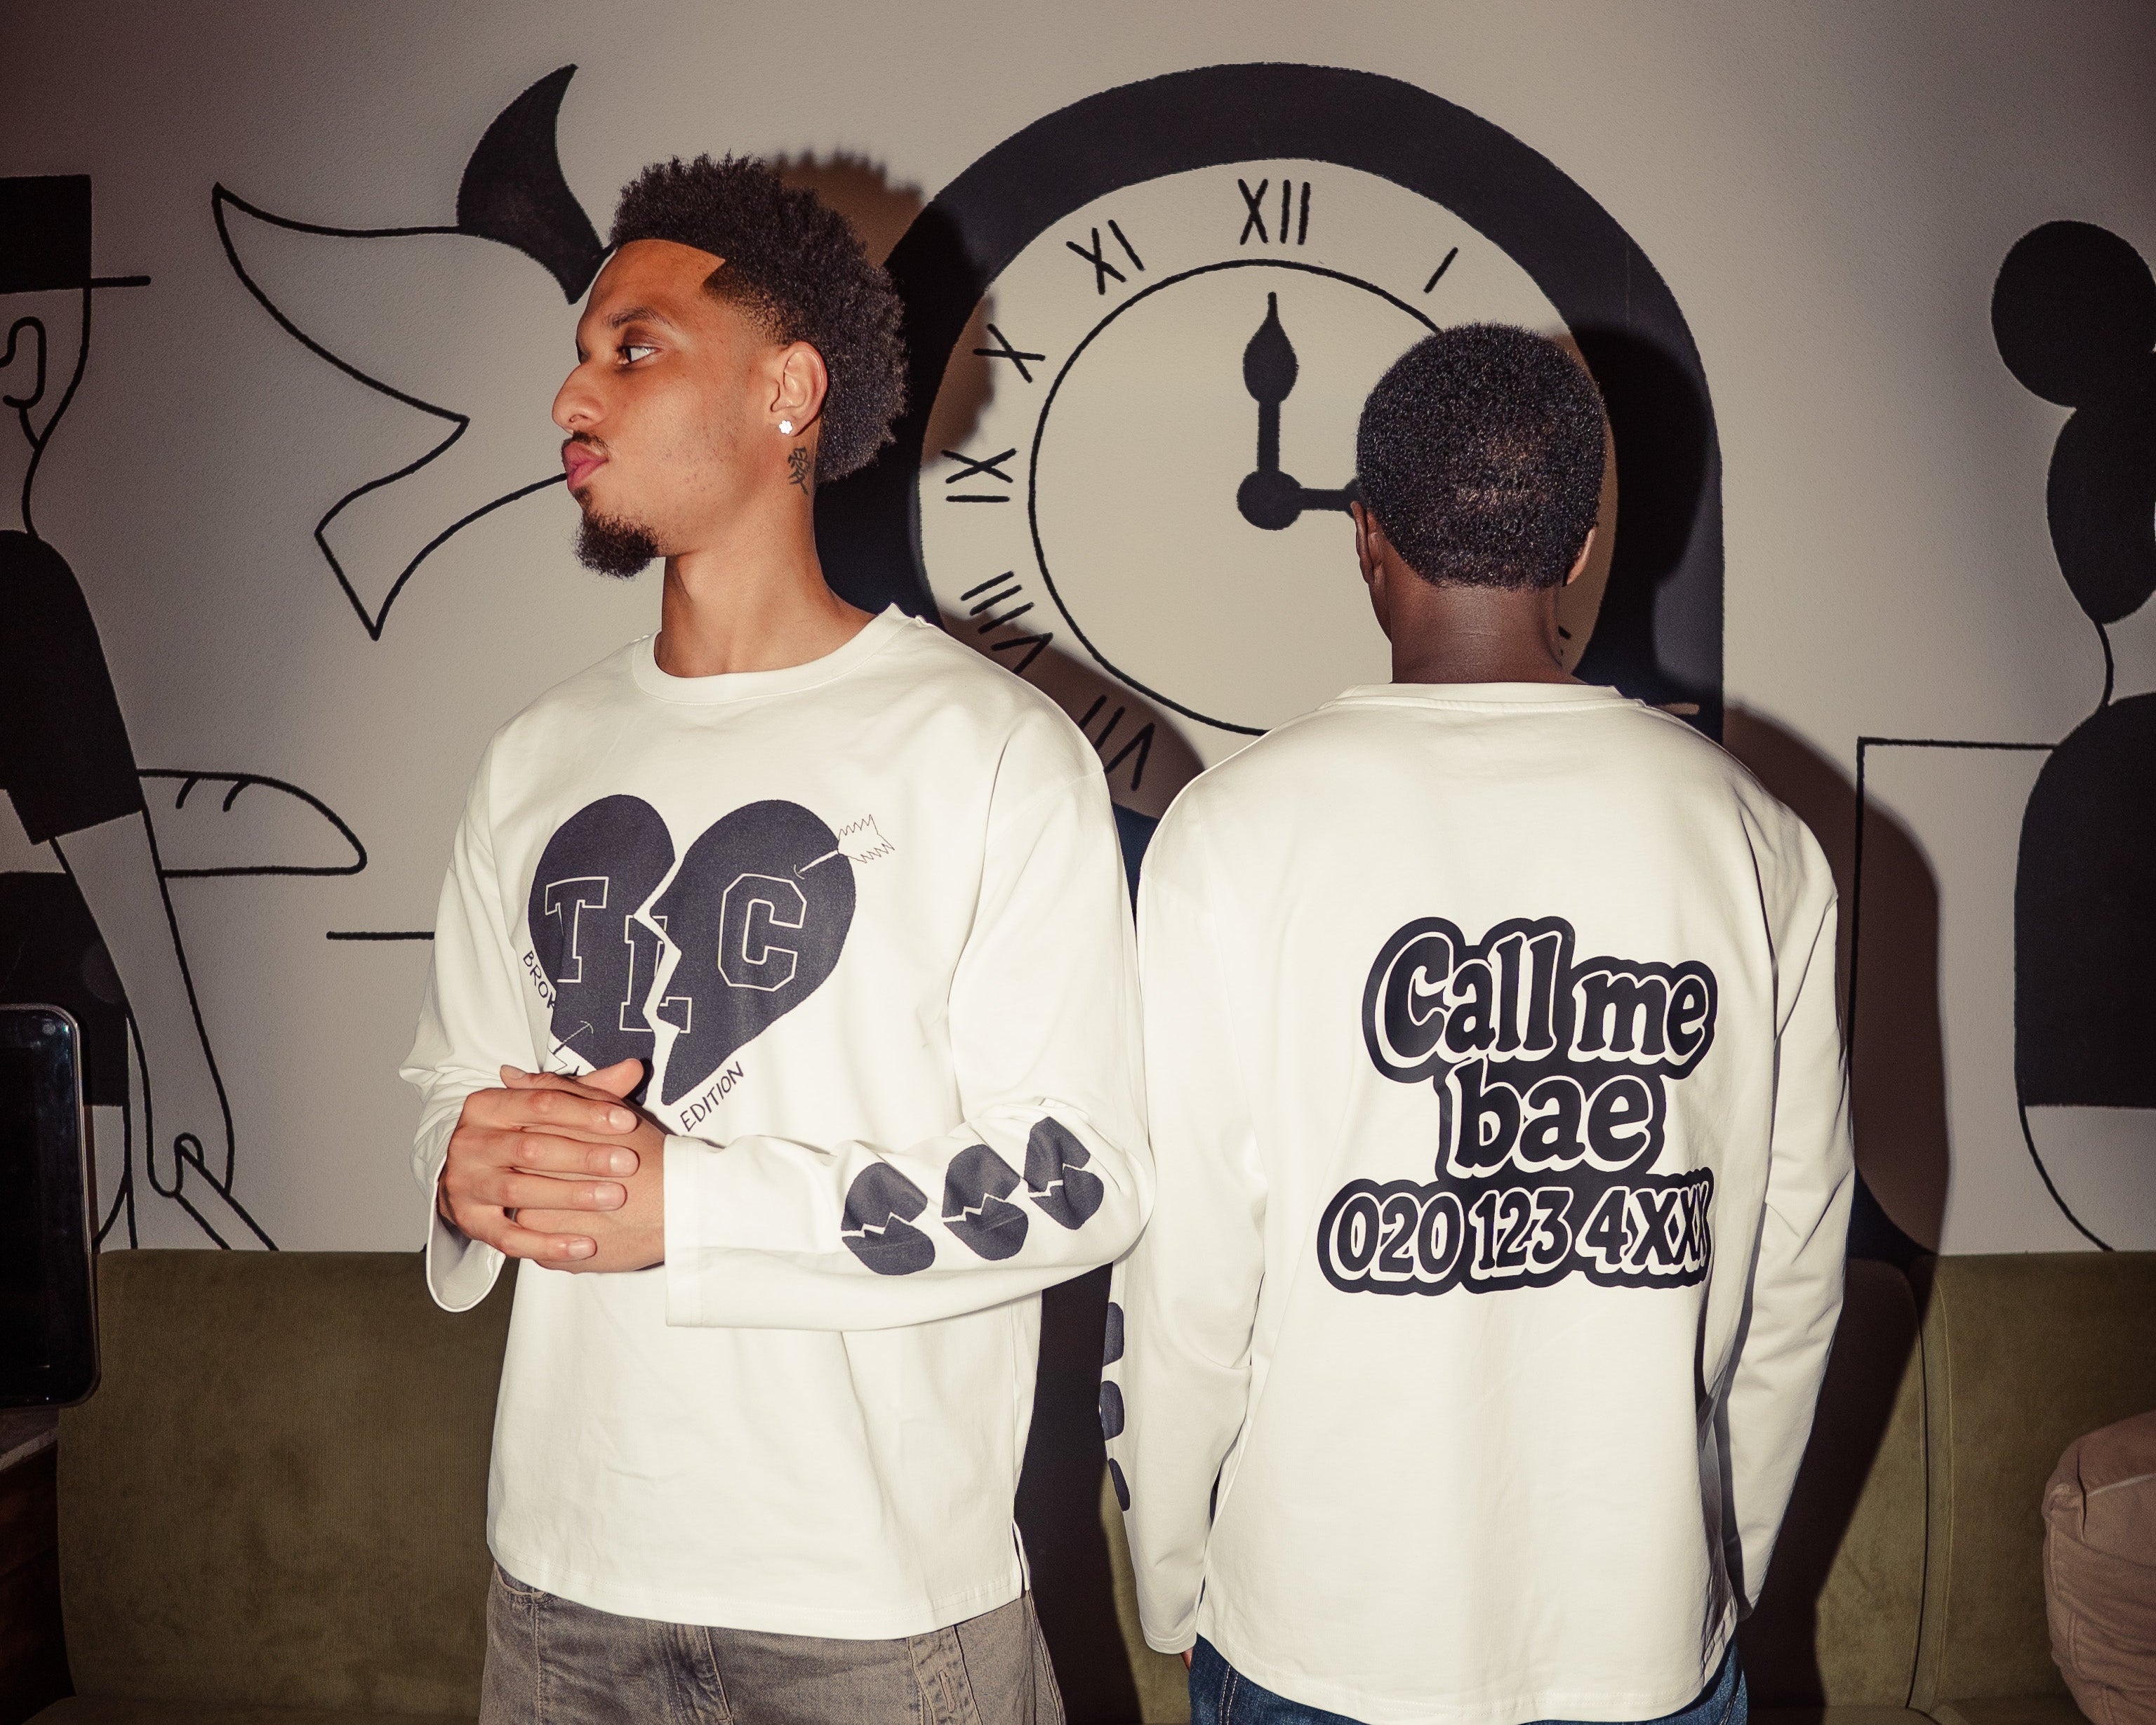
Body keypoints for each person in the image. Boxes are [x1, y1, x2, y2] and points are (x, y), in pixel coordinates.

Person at [402, 156, 1148, 1725]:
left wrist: (695, 1203)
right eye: (579, 353)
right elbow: (451, 1090)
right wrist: (464, 1170)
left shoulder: (988, 749)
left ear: (789, 391)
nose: (570, 395)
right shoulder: (535, 756)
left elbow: (1081, 1174)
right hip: (560, 1589)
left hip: (875, 1611)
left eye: (634, 348)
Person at [1104, 324, 1851, 1725]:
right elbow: (1794, 1273)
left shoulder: (1233, 833)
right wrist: (1713, 1562)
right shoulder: (1752, 836)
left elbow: (1188, 1273)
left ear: (1364, 535)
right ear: (1583, 547)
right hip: (1643, 1630)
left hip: (1319, 1631)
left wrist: (1173, 1578)